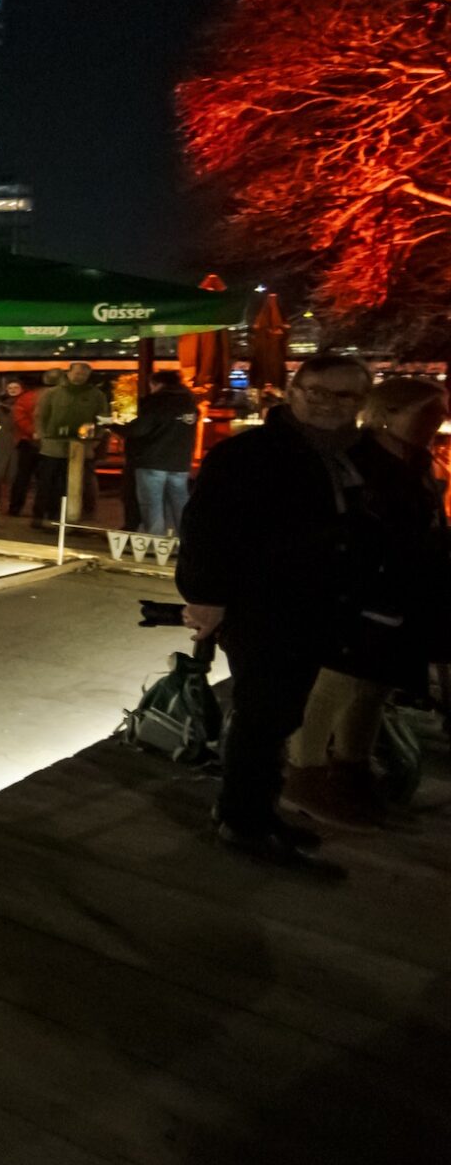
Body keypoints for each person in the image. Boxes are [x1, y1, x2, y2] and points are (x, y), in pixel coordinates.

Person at [178, 353, 403, 867]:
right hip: (264, 606)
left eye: (344, 395)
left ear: (362, 401)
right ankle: (244, 820)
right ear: (293, 391)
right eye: (316, 391)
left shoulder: (364, 456)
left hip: (329, 605)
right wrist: (205, 598)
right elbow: (205, 532)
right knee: (265, 714)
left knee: (284, 712)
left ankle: (252, 809)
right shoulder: (249, 455)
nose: (327, 404)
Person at [279, 376, 449, 828]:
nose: (441, 420)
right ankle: (306, 774)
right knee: (338, 681)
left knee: (374, 685)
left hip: (400, 588)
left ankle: (350, 770)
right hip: (358, 590)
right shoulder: (358, 462)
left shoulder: (414, 460)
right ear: (389, 414)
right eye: (429, 412)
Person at [118, 370, 203, 536]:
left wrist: (114, 427)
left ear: (158, 384)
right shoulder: (189, 403)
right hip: (180, 463)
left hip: (153, 461)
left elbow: (139, 429)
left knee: (152, 505)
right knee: (180, 504)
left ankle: (155, 543)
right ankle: (187, 540)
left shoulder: (157, 402)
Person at [31, 363, 106, 525]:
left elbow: (102, 419)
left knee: (78, 483)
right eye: (77, 373)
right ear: (69, 373)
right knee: (48, 481)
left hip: (81, 446)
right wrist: (43, 436)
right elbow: (40, 415)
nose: (80, 377)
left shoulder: (96, 395)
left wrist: (96, 439)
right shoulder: (52, 393)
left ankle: (72, 516)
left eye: (84, 375)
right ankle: (41, 515)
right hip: (53, 445)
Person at [5, 375, 45, 516]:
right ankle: (40, 510)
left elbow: (20, 418)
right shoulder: (44, 397)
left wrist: (32, 431)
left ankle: (15, 507)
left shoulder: (25, 399)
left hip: (27, 441)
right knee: (43, 478)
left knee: (22, 476)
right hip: (41, 442)